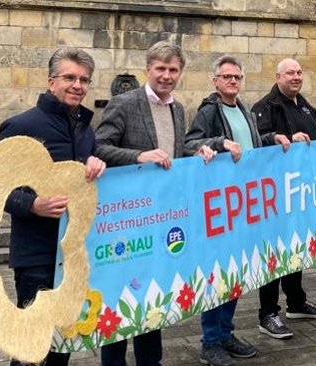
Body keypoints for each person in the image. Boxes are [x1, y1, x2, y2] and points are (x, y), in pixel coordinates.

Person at [94, 40, 214, 366]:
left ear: (180, 73)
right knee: (120, 299)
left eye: (173, 69)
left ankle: (151, 361)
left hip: (161, 218)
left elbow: (174, 152)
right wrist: (138, 156)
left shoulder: (178, 108)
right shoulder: (124, 103)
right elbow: (99, 147)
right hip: (127, 221)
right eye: (160, 68)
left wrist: (198, 149)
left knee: (152, 296)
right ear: (148, 69)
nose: (166, 75)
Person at [0, 47, 107, 366]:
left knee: (62, 344)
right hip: (37, 256)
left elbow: (86, 181)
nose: (78, 85)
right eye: (70, 77)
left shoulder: (86, 129)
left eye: (84, 80)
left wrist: (96, 164)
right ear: (50, 81)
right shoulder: (20, 125)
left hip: (72, 255)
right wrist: (33, 204)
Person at [184, 55, 292, 366]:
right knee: (216, 273)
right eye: (227, 76)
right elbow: (191, 143)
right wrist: (220, 143)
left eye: (237, 77)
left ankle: (226, 332)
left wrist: (273, 138)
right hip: (221, 205)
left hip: (246, 204)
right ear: (215, 81)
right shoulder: (208, 111)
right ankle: (210, 340)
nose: (233, 81)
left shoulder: (244, 109)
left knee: (235, 272)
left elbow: (251, 144)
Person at [251, 58, 316, 339]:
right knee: (273, 254)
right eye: (290, 73)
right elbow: (257, 143)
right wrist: (281, 137)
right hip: (275, 196)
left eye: (299, 72)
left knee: (295, 251)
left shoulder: (306, 106)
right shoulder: (265, 108)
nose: (296, 77)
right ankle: (268, 313)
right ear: (278, 77)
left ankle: (295, 302)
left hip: (301, 193)